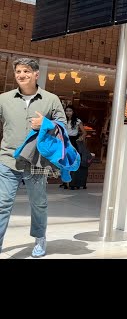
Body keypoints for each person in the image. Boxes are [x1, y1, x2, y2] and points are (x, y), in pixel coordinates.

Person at [0, 57, 66, 257]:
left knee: (38, 203)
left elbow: (62, 124)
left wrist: (46, 123)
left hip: (36, 161)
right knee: (2, 203)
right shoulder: (4, 98)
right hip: (8, 158)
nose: (22, 75)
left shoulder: (51, 99)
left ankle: (40, 238)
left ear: (36, 74)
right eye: (19, 71)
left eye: (27, 71)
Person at [66, 105, 88, 190]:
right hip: (65, 140)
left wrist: (81, 137)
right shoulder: (63, 120)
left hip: (73, 141)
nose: (68, 112)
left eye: (70, 111)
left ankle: (72, 182)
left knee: (72, 160)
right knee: (65, 161)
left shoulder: (78, 121)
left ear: (73, 112)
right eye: (67, 111)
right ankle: (66, 182)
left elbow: (84, 132)